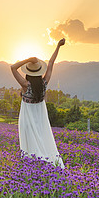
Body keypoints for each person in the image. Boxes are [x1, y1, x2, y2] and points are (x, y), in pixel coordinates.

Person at [10, 38, 66, 168]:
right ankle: (44, 165)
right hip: (41, 118)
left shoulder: (25, 85)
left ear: (28, 73)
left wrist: (28, 60)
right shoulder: (44, 83)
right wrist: (58, 46)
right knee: (42, 139)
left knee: (29, 143)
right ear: (40, 72)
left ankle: (32, 168)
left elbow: (12, 68)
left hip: (27, 117)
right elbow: (51, 63)